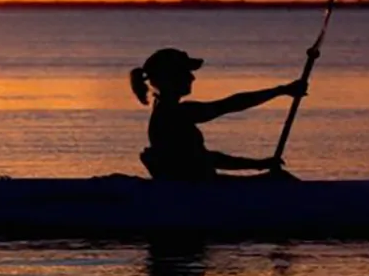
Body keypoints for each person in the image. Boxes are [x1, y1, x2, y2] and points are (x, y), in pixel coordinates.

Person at [130, 47, 306, 181]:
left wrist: (259, 165)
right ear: (171, 77)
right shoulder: (175, 114)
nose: (192, 78)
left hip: (199, 187)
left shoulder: (166, 110)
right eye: (186, 73)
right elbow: (229, 105)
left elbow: (203, 158)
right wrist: (259, 165)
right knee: (280, 180)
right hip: (197, 192)